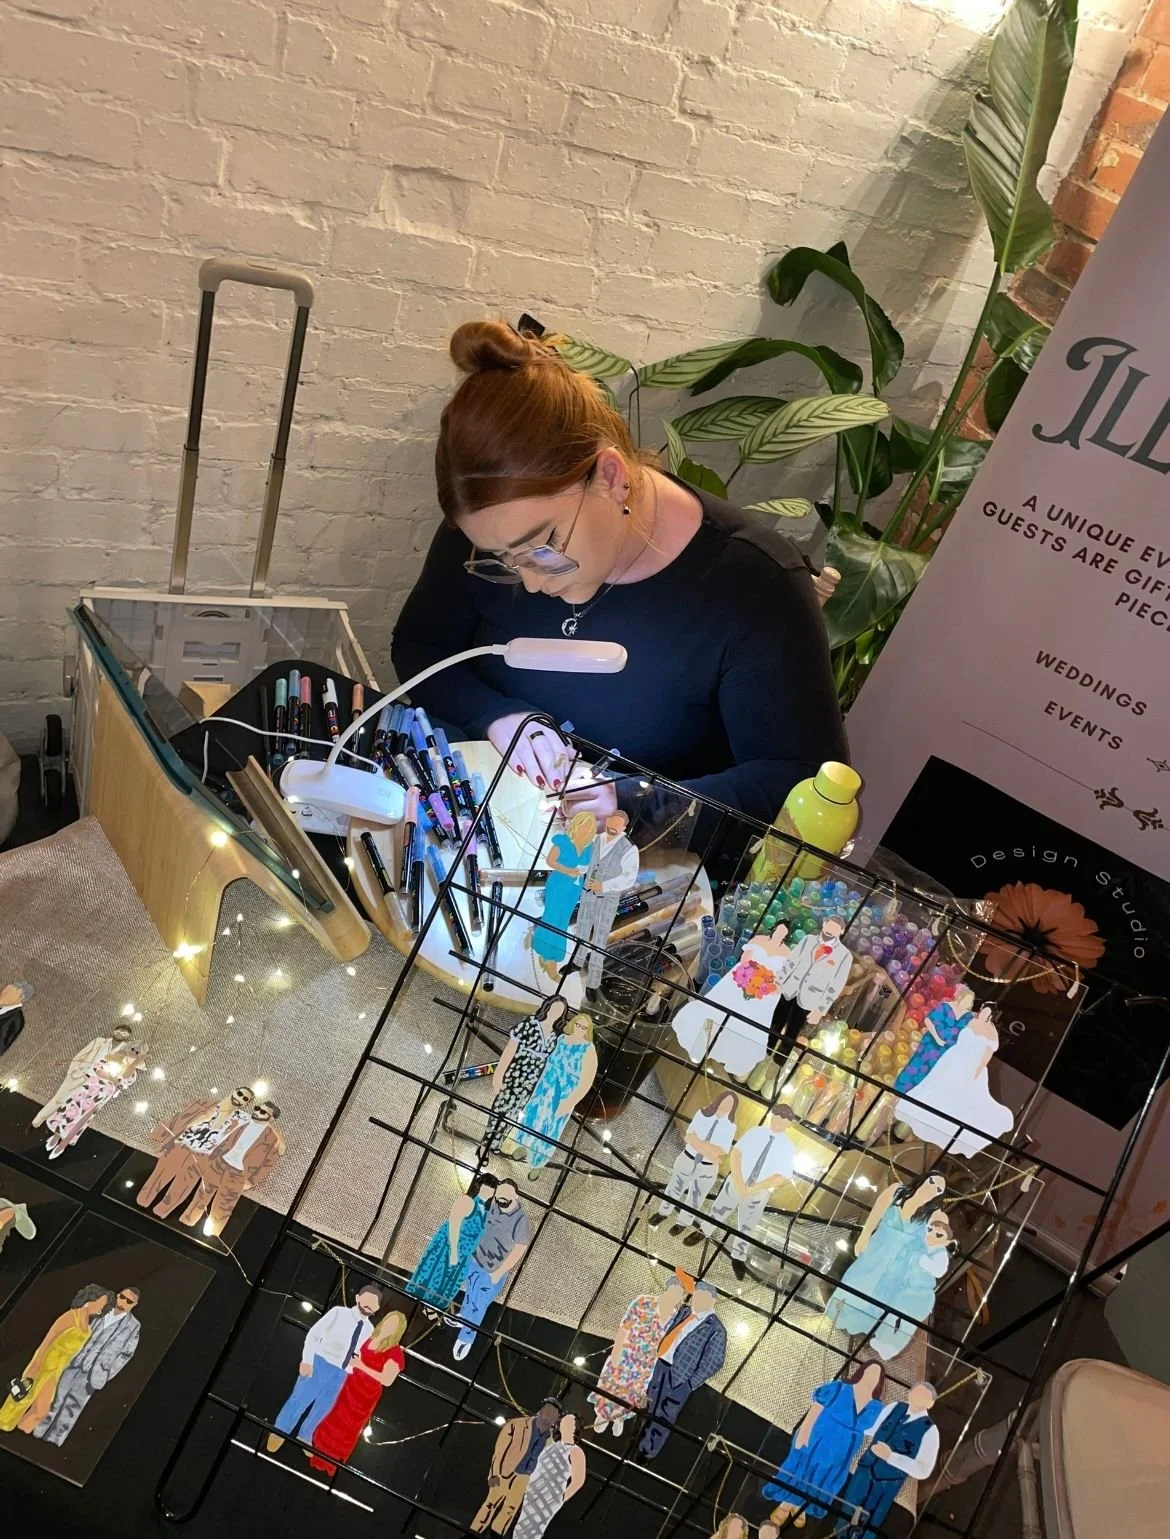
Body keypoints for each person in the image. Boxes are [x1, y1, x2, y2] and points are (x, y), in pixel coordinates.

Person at [390, 321, 846, 839]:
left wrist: (635, 804)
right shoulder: (499, 524)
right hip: (475, 815)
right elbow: (421, 646)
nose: (530, 582)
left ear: (609, 477)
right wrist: (498, 717)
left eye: (542, 548)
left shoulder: (754, 585)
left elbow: (793, 780)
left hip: (637, 871)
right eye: (502, 558)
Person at [824, 1174, 948, 1361]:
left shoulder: (933, 1215)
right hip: (877, 1250)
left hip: (898, 1264)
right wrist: (863, 1237)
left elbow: (937, 1241)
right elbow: (875, 1214)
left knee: (880, 1296)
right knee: (858, 1283)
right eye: (932, 1181)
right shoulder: (896, 1191)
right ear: (924, 1179)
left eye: (939, 1189)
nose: (933, 1188)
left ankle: (864, 1330)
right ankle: (840, 1316)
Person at [763, 1361, 887, 1528]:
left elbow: (872, 1431)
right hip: (818, 1437)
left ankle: (801, 1506)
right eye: (869, 1372)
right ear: (862, 1372)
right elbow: (816, 1407)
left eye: (875, 1376)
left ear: (879, 1382)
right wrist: (805, 1431)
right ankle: (785, 1503)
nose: (871, 1377)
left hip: (842, 1451)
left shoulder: (876, 1407)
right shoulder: (839, 1387)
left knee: (823, 1478)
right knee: (803, 1468)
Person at [267, 1282, 384, 1453]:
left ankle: (305, 1436)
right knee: (300, 1398)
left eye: (373, 1305)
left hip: (342, 1373)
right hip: (321, 1362)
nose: (368, 1307)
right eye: (367, 1301)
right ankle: (280, 1432)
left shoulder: (369, 1329)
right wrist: (307, 1360)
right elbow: (315, 1334)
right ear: (358, 1298)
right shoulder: (339, 1313)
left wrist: (356, 1361)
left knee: (323, 1407)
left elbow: (361, 1352)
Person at [894, 1004, 1014, 1158]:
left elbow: (986, 1055)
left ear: (991, 1016)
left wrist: (976, 1071)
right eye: (983, 1010)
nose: (983, 1014)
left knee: (956, 1099)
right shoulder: (971, 1021)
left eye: (987, 1013)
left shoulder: (991, 1032)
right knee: (934, 1088)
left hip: (970, 1067)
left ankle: (940, 1128)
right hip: (953, 1058)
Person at [671, 928, 792, 1078]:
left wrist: (767, 985)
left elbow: (783, 979)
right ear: (773, 930)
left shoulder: (787, 953)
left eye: (783, 933)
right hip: (741, 982)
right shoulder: (759, 939)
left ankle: (731, 1055)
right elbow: (744, 960)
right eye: (778, 930)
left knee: (745, 1024)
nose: (779, 935)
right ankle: (702, 1045)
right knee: (718, 1012)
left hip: (763, 994)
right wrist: (751, 976)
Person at [699, 1104, 801, 1279]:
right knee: (719, 1209)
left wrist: (754, 1188)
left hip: (759, 1192)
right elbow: (736, 1154)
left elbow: (780, 1176)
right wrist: (739, 1180)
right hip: (736, 1181)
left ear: (790, 1124)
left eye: (784, 1118)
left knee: (747, 1225)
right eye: (776, 1115)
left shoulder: (788, 1147)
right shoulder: (756, 1132)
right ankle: (703, 1231)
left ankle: (738, 1256)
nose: (778, 1120)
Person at [34, 1286, 141, 1445]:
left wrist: (107, 1373)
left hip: (94, 1374)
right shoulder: (102, 1307)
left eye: (129, 1301)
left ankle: (53, 1442)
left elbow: (126, 1354)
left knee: (72, 1409)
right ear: (118, 1296)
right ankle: (37, 1434)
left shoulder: (133, 1326)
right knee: (54, 1399)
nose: (123, 1302)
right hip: (73, 1362)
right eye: (122, 1297)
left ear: (134, 1305)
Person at [0, 1284, 112, 1434]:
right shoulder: (70, 1317)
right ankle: (3, 1426)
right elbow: (47, 1341)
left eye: (104, 1305)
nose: (101, 1306)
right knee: (21, 1399)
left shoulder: (88, 1328)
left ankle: (17, 1436)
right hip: (44, 1364)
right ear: (91, 1298)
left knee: (41, 1411)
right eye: (100, 1301)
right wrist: (35, 1365)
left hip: (56, 1370)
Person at [637, 1277, 726, 1460]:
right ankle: (637, 1439)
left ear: (712, 1301)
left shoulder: (716, 1329)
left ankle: (648, 1451)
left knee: (664, 1414)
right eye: (697, 1295)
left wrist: (690, 1383)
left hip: (679, 1377)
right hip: (661, 1363)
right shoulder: (685, 1312)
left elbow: (714, 1361)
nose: (698, 1299)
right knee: (648, 1403)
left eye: (703, 1296)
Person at [309, 1309, 406, 1475]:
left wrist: (361, 1365)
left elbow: (387, 1380)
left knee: (347, 1428)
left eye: (394, 1325)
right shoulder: (370, 1336)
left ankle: (331, 1462)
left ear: (398, 1330)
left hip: (364, 1395)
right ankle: (318, 1451)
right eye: (389, 1320)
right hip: (349, 1384)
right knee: (333, 1416)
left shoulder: (395, 1351)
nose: (390, 1326)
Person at [839, 1381, 940, 1539]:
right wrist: (853, 1418)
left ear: (931, 1403)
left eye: (923, 1397)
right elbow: (872, 1428)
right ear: (910, 1393)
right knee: (846, 1511)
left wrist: (891, 1457)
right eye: (916, 1393)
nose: (917, 1398)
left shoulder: (930, 1431)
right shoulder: (895, 1407)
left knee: (870, 1524)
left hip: (887, 1483)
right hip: (865, 1469)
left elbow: (923, 1470)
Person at [136, 1088, 255, 1220]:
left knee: (182, 1186)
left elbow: (264, 1125)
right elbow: (181, 1117)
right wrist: (164, 1134)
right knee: (160, 1174)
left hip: (203, 1156)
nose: (240, 1098)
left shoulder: (243, 1119)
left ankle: (160, 1213)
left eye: (245, 1099)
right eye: (240, 1094)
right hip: (182, 1144)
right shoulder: (205, 1103)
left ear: (246, 1104)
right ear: (234, 1091)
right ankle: (141, 1202)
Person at [589, 1274, 686, 1435]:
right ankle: (601, 1414)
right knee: (612, 1384)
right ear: (668, 1287)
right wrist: (616, 1352)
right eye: (674, 1290)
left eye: (680, 1293)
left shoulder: (675, 1319)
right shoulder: (644, 1302)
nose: (675, 1296)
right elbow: (625, 1326)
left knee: (633, 1392)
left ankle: (619, 1417)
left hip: (646, 1364)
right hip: (627, 1353)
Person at [452, 1181, 531, 1361]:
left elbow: (519, 1249)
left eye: (505, 1199)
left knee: (479, 1303)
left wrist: (499, 1272)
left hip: (493, 1270)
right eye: (499, 1197)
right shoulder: (493, 1205)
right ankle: (462, 1317)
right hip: (476, 1259)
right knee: (470, 1295)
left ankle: (466, 1338)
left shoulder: (521, 1220)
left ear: (515, 1196)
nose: (501, 1201)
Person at [481, 997, 569, 1157]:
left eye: (559, 1011)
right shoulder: (530, 1024)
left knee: (513, 1114)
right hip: (515, 1075)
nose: (555, 1013)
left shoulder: (554, 1037)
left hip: (531, 1083)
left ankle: (497, 1144)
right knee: (500, 1109)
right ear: (547, 1007)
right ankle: (486, 1143)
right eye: (553, 1008)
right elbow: (509, 1050)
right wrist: (498, 1076)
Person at [180, 1100, 284, 1235]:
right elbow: (228, 1140)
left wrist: (251, 1181)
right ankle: (187, 1221)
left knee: (223, 1204)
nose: (257, 1112)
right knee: (203, 1193)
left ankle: (212, 1234)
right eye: (257, 1108)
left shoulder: (271, 1139)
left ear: (271, 1118)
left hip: (239, 1174)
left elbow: (268, 1164)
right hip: (220, 1162)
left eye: (263, 1112)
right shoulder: (245, 1123)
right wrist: (213, 1157)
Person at [514, 1014, 599, 1171]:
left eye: (583, 1027)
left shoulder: (588, 1049)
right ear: (573, 1024)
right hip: (544, 1086)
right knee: (531, 1115)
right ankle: (522, 1145)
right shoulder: (561, 1039)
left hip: (564, 1093)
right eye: (578, 1025)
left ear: (588, 1030)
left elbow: (587, 1081)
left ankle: (538, 1161)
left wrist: (570, 1101)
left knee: (551, 1127)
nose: (579, 1029)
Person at [407, 1173, 497, 1314]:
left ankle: (433, 1309)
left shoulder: (486, 1213)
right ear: (479, 1186)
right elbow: (453, 1225)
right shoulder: (466, 1202)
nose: (489, 1192)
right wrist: (453, 1252)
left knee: (448, 1283)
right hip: (448, 1247)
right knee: (436, 1276)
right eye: (487, 1187)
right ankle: (419, 1305)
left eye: (492, 1190)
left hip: (465, 1254)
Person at [651, 1092, 738, 1237]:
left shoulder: (730, 1127)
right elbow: (689, 1136)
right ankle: (663, 1212)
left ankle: (682, 1223)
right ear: (719, 1100)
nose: (725, 1106)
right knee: (674, 1188)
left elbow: (722, 1150)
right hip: (688, 1158)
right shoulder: (702, 1114)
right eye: (724, 1102)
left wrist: (700, 1144)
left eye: (730, 1105)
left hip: (708, 1167)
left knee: (696, 1197)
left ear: (733, 1108)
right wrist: (708, 1150)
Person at [471, 1396, 562, 1535]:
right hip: (505, 1472)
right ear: (540, 1410)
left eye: (553, 1413)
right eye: (547, 1410)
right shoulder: (516, 1425)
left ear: (556, 1420)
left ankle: (496, 1535)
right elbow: (499, 1451)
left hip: (525, 1479)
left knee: (510, 1510)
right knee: (490, 1504)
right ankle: (473, 1533)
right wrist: (494, 1473)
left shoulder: (550, 1442)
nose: (548, 1415)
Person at [43, 1042, 146, 1158]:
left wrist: (133, 1065)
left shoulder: (132, 1073)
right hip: (90, 1087)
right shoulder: (112, 1057)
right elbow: (97, 1069)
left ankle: (63, 1144)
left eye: (137, 1052)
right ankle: (57, 1135)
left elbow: (124, 1080)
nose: (133, 1052)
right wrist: (111, 1078)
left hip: (101, 1095)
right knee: (71, 1109)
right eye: (133, 1049)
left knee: (83, 1118)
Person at [575, 810, 640, 991]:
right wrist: (575, 869)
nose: (613, 829)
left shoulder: (629, 848)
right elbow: (587, 862)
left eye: (617, 826)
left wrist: (604, 885)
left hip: (608, 899)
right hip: (588, 894)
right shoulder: (596, 839)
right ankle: (577, 961)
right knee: (581, 929)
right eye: (611, 824)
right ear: (607, 821)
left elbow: (629, 878)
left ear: (624, 828)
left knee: (599, 940)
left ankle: (593, 983)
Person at [771, 915, 853, 1054]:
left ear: (841, 931)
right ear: (824, 924)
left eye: (835, 929)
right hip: (790, 989)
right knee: (775, 1022)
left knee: (793, 1031)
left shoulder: (844, 956)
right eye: (829, 926)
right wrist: (778, 981)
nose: (830, 931)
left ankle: (779, 1058)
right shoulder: (808, 940)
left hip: (810, 998)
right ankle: (765, 1049)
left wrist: (820, 1010)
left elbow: (835, 986)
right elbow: (791, 961)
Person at [32, 1022, 133, 1128]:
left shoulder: (124, 1052)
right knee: (59, 1098)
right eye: (119, 1031)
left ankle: (57, 1127)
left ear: (128, 1037)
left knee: (75, 1108)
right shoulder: (99, 1041)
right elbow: (81, 1055)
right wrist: (73, 1071)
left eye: (124, 1034)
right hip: (81, 1074)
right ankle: (36, 1122)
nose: (120, 1034)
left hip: (95, 1084)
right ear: (114, 1031)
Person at [532, 812, 595, 979]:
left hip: (574, 888)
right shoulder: (563, 840)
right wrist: (567, 870)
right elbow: (550, 861)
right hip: (559, 883)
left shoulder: (590, 846)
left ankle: (554, 957)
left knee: (563, 921)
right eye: (583, 824)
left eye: (589, 825)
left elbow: (592, 866)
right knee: (552, 917)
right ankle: (547, 958)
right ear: (577, 824)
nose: (586, 828)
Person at [512, 1411, 587, 1539]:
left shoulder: (575, 1451)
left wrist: (561, 1497)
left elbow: (578, 1480)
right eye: (564, 1422)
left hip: (550, 1497)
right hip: (533, 1492)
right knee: (521, 1526)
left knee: (535, 1529)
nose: (564, 1425)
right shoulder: (552, 1446)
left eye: (569, 1423)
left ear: (575, 1428)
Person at [893, 987, 976, 1094]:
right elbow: (928, 1020)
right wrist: (937, 1037)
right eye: (967, 999)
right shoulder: (945, 1007)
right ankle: (898, 1089)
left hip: (945, 1051)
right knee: (916, 1065)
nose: (968, 1003)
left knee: (929, 1073)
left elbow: (967, 1035)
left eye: (971, 1001)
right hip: (930, 1043)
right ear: (961, 997)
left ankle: (911, 1095)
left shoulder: (968, 1017)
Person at [0, 980, 31, 1057]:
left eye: (8, 993)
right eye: (4, 990)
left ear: (21, 998)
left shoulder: (17, 1021)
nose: (2, 993)